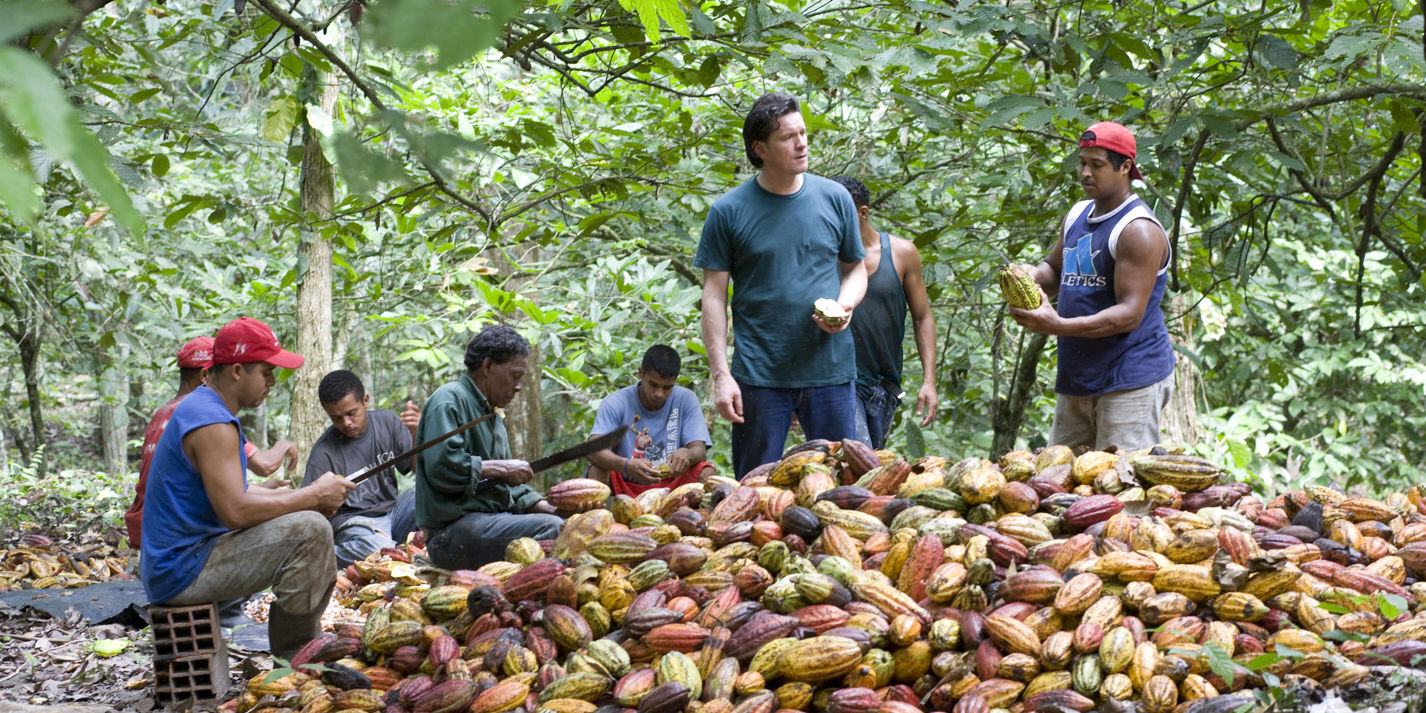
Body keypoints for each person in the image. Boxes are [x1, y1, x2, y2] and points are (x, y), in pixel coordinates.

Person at [141, 317, 355, 659]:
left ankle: (297, 651)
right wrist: (312, 498)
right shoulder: (211, 422)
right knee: (312, 532)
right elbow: (235, 510)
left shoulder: (207, 407)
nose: (272, 382)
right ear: (238, 371)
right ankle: (296, 657)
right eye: (266, 372)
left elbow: (239, 491)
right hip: (181, 570)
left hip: (187, 558)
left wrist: (309, 495)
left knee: (309, 518)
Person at [695, 92, 868, 477]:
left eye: (803, 132)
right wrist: (722, 376)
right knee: (755, 491)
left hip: (830, 369)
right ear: (761, 148)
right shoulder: (728, 211)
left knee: (842, 483)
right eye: (789, 137)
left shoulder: (835, 197)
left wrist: (845, 305)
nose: (802, 143)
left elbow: (856, 270)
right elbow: (713, 297)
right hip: (760, 375)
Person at [1008, 121, 1175, 451]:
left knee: (1119, 488)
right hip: (1079, 376)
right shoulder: (1077, 214)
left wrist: (1057, 325)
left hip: (1129, 378)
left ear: (1125, 167)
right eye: (1083, 163)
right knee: (1060, 484)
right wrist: (1031, 276)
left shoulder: (1137, 230)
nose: (1085, 173)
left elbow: (1129, 314)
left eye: (1096, 165)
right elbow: (1055, 271)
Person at [416, 325, 588, 569]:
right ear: (488, 367)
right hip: (449, 535)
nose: (518, 386)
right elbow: (443, 468)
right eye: (515, 376)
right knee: (549, 529)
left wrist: (554, 509)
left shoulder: (492, 416)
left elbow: (507, 487)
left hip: (489, 522)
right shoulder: (449, 399)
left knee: (559, 524)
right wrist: (500, 468)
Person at [125, 337, 299, 550]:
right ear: (206, 375)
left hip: (146, 529)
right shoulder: (207, 418)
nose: (271, 382)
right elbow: (263, 466)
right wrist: (283, 447)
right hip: (176, 541)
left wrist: (257, 490)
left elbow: (195, 483)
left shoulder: (163, 413)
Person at [829, 177, 939, 449]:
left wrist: (929, 381)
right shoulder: (822, 256)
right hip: (839, 381)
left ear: (862, 213)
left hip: (885, 386)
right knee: (859, 458)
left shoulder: (902, 253)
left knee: (871, 469)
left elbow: (922, 316)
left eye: (839, 213)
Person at [303, 370, 422, 566]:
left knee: (429, 496)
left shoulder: (387, 422)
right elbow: (311, 512)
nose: (346, 423)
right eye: (337, 418)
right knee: (378, 548)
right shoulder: (323, 453)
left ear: (365, 400)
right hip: (356, 523)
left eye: (351, 413)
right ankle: (324, 556)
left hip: (392, 513)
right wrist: (326, 505)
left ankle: (392, 550)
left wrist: (416, 432)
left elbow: (417, 469)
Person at [584, 345, 715, 496]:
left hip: (671, 484)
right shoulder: (615, 402)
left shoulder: (686, 399)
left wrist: (687, 453)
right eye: (653, 384)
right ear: (641, 373)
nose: (659, 394)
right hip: (625, 483)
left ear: (675, 380)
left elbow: (699, 450)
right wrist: (626, 465)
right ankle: (597, 517)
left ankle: (703, 518)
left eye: (667, 387)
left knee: (707, 472)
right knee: (597, 470)